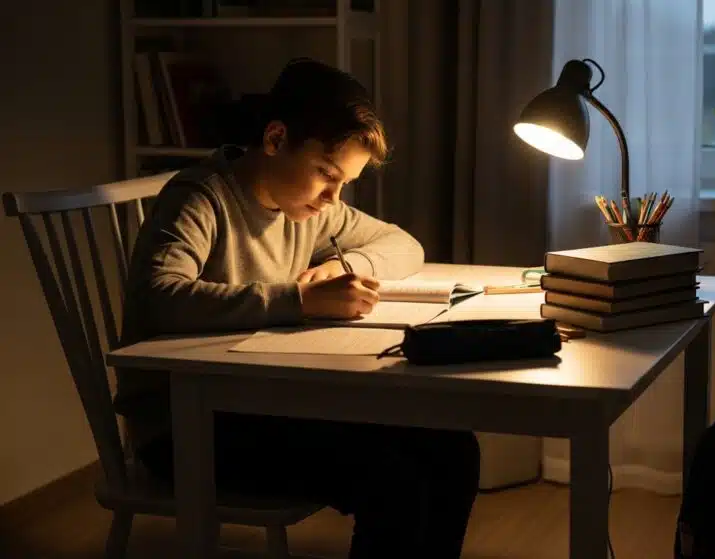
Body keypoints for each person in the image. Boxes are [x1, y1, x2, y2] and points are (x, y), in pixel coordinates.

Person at [115, 58, 480, 558]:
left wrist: (342, 263)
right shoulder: (202, 195)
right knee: (392, 478)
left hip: (262, 401)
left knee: (454, 448)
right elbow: (159, 297)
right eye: (326, 176)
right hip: (186, 425)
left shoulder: (307, 209)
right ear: (275, 139)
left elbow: (403, 244)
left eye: (343, 186)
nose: (333, 198)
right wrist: (299, 300)